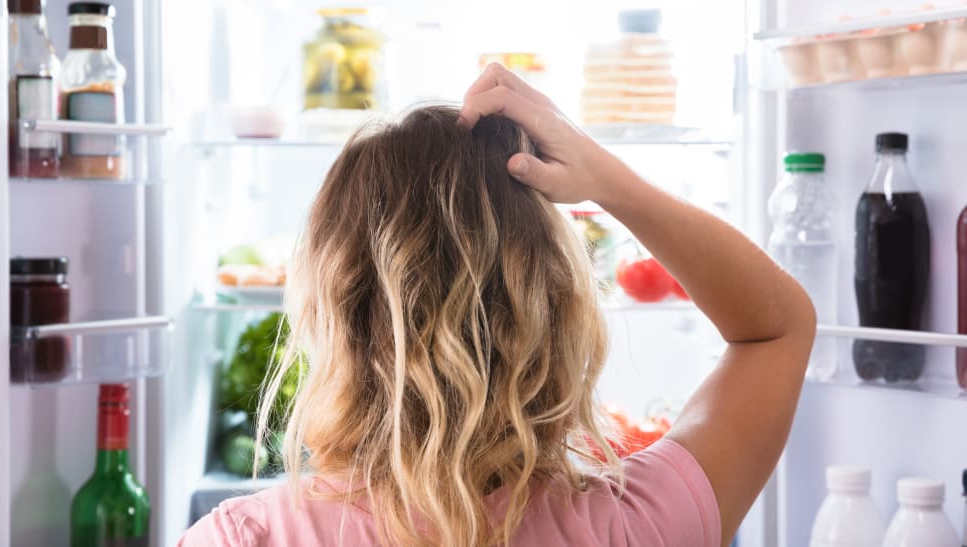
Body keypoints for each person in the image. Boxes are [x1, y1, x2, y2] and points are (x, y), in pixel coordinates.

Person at [179, 64, 815, 547]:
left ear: (332, 310)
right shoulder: (633, 523)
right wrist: (601, 174)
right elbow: (778, 329)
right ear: (555, 305)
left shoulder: (244, 537)